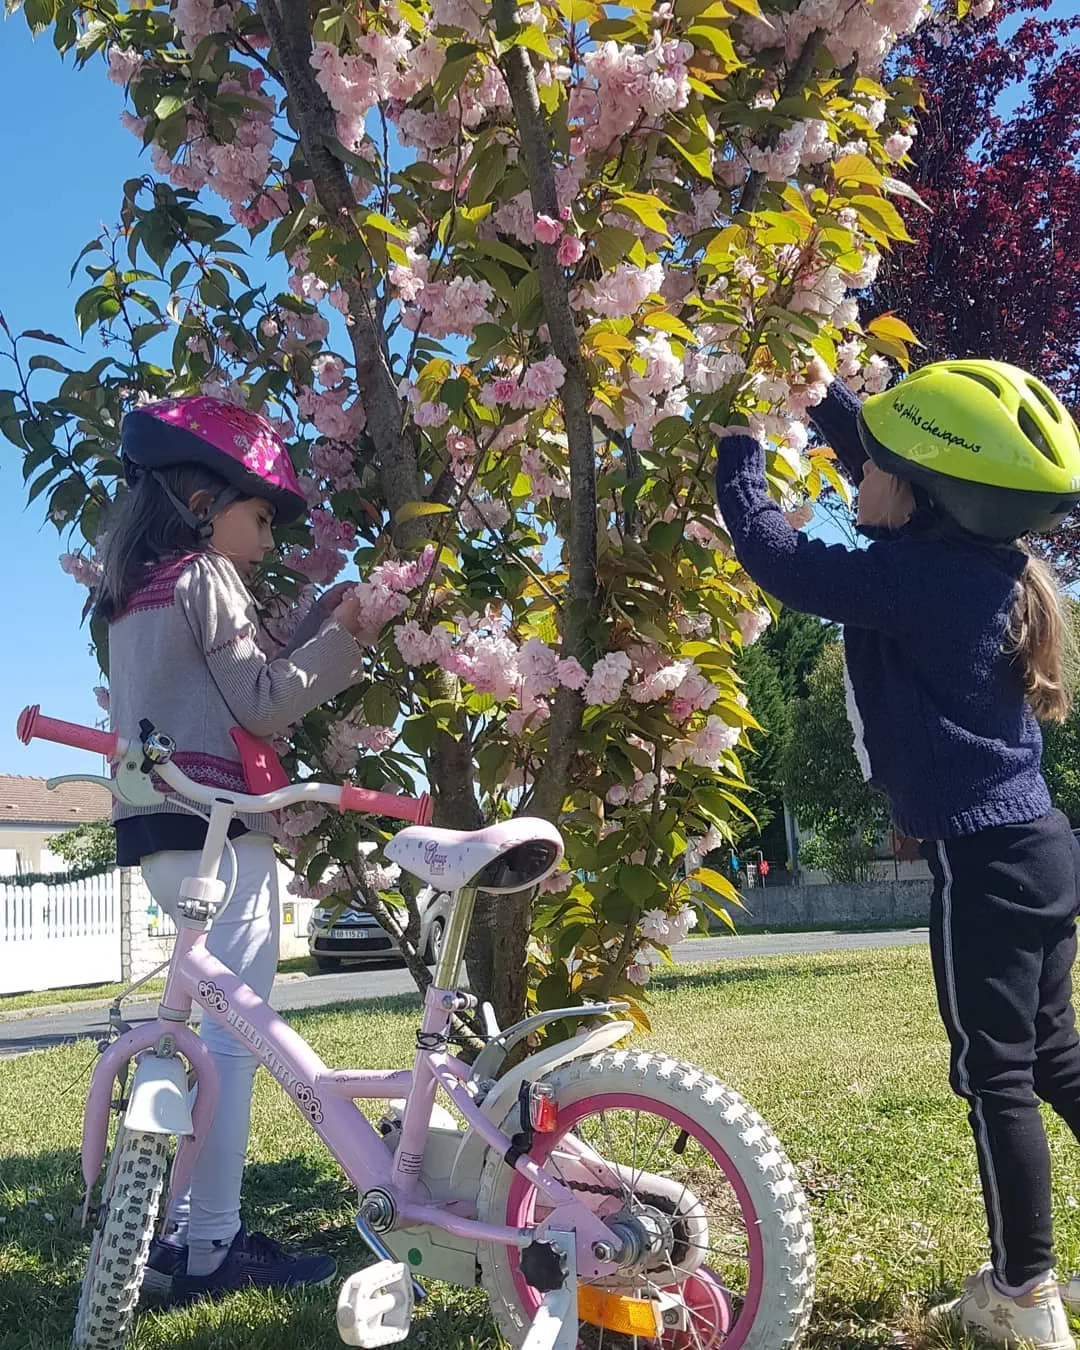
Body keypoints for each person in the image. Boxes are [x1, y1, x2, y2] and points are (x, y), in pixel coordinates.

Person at [715, 360, 1080, 1350]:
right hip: (1040, 850)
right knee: (1054, 1062)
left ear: (918, 492)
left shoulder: (910, 579)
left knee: (996, 1078)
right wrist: (811, 382)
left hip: (985, 865)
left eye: (873, 464)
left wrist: (740, 442)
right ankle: (1031, 1279)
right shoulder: (968, 561)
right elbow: (874, 454)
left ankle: (1024, 1292)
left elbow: (776, 556)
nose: (853, 472)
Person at [94, 394, 367, 1304]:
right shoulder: (206, 574)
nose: (266, 539)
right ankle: (211, 1242)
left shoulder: (130, 594)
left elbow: (215, 683)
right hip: (224, 831)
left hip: (158, 831)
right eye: (258, 516)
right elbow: (259, 701)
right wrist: (349, 643)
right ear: (204, 503)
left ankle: (166, 1223)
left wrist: (316, 625)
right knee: (242, 1038)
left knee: (192, 1028)